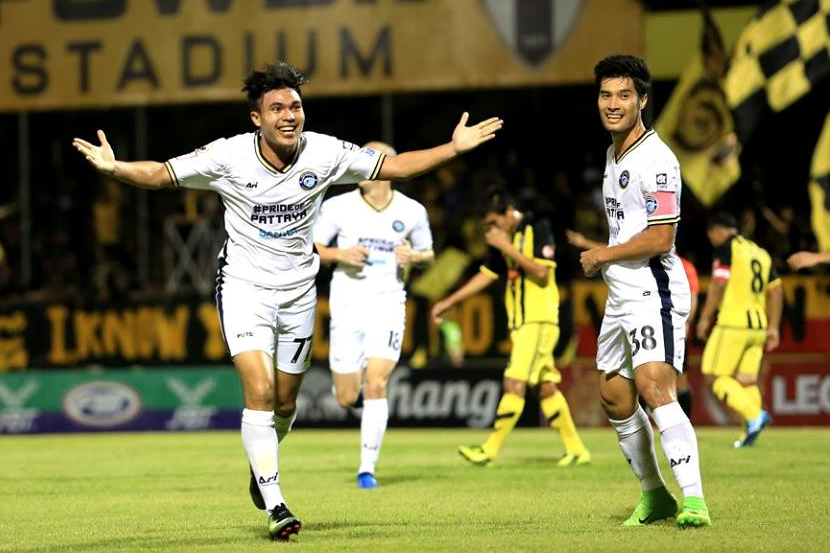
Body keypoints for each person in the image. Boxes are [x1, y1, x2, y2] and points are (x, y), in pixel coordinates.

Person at [72, 61, 502, 541]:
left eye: (295, 105)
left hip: (299, 293)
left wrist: (453, 148)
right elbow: (161, 174)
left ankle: (263, 463)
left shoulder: (324, 152)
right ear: (256, 118)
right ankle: (276, 501)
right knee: (257, 394)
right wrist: (116, 168)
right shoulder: (228, 156)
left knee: (283, 402)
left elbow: (395, 166)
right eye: (276, 107)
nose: (289, 114)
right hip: (244, 288)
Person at [579, 55, 710, 528]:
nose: (612, 104)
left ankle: (694, 500)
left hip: (653, 288)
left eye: (623, 95)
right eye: (605, 95)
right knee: (615, 397)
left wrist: (602, 255)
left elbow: (661, 237)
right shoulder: (614, 154)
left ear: (643, 101)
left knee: (656, 388)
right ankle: (655, 496)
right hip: (621, 293)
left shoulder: (657, 161)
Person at [432, 187, 590, 468]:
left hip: (539, 319)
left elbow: (542, 272)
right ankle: (577, 449)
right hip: (521, 321)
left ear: (508, 213)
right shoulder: (504, 238)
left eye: (494, 222)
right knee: (545, 387)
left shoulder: (537, 228)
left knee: (514, 382)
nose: (492, 229)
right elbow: (488, 274)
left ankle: (489, 450)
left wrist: (506, 247)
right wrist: (450, 301)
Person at [313, 141, 434, 490]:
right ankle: (364, 410)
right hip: (348, 308)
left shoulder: (412, 211)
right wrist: (340, 253)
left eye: (366, 159)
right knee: (347, 396)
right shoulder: (338, 206)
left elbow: (428, 253)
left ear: (387, 167)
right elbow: (313, 249)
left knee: (378, 380)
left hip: (388, 304)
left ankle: (367, 468)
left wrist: (414, 256)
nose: (358, 165)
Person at [566, 230, 699, 418]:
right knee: (643, 379)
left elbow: (692, 298)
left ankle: (683, 423)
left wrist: (685, 322)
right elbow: (616, 251)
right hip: (646, 319)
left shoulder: (681, 267)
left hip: (671, 324)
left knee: (677, 381)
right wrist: (585, 242)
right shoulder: (644, 261)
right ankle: (662, 424)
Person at [696, 212, 782, 448]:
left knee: (714, 376)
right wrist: (773, 327)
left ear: (718, 230)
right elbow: (776, 291)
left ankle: (754, 415)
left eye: (711, 234)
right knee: (746, 381)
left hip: (733, 323)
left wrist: (705, 317)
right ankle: (749, 433)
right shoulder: (760, 252)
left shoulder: (726, 248)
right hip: (758, 326)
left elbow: (719, 282)